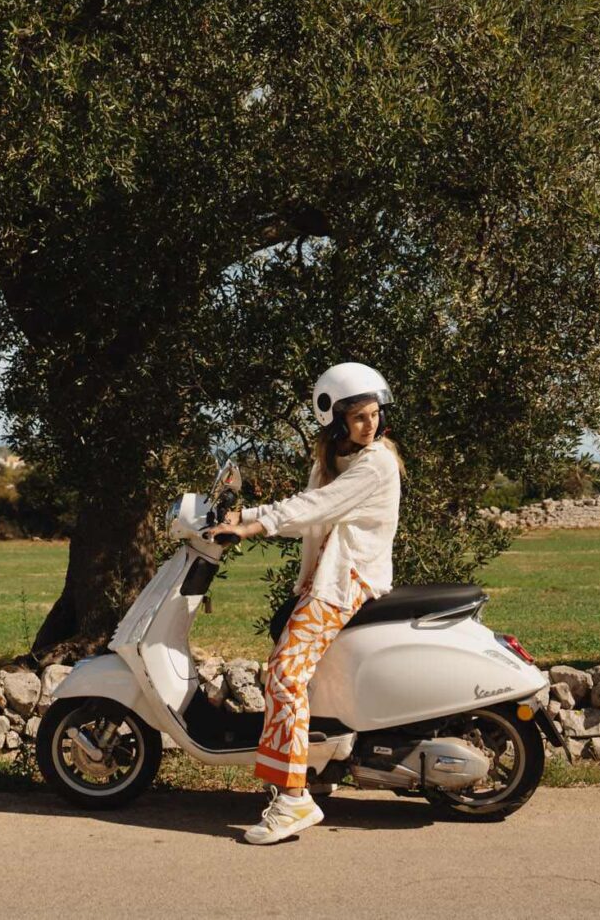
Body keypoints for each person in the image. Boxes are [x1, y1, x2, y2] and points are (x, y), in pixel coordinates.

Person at [204, 361, 403, 845]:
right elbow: (310, 515)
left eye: (374, 415)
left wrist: (250, 524)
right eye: (358, 417)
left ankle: (293, 799)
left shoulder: (374, 463)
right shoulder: (332, 461)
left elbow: (316, 509)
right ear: (335, 421)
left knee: (284, 674)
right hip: (325, 579)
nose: (370, 424)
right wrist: (243, 515)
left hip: (346, 580)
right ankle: (317, 763)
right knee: (292, 672)